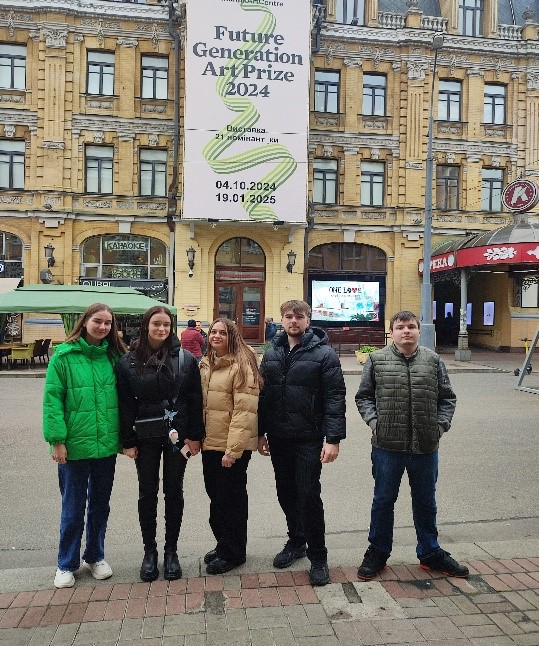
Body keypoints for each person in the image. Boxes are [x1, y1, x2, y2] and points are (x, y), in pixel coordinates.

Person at [355, 310, 468, 580]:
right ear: (391, 332)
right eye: (400, 327)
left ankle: (430, 552)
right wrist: (375, 423)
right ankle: (377, 552)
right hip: (386, 447)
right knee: (383, 501)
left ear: (419, 331)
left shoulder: (433, 360)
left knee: (426, 502)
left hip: (425, 447)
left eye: (411, 327)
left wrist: (440, 426)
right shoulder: (377, 360)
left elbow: (447, 398)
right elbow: (364, 397)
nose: (406, 331)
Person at [258, 300, 346, 586]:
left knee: (308, 495)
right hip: (279, 437)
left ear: (308, 320)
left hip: (309, 437)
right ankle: (296, 542)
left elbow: (335, 398)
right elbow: (263, 396)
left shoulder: (324, 354)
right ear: (281, 321)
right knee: (286, 492)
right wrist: (260, 432)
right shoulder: (271, 353)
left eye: (299, 316)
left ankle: (318, 557)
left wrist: (332, 439)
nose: (293, 320)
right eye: (288, 316)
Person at [115, 306, 203, 582]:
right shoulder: (128, 362)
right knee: (147, 492)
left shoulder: (185, 360)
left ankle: (171, 551)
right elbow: (125, 404)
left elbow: (194, 399)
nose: (162, 329)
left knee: (174, 491)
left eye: (166, 324)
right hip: (145, 435)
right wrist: (127, 442)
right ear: (146, 326)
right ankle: (149, 551)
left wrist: (195, 436)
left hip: (178, 436)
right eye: (156, 324)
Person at [42, 303, 126, 589]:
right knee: (73, 507)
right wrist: (57, 441)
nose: (103, 327)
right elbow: (52, 401)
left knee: (100, 505)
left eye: (107, 323)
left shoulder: (113, 358)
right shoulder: (63, 357)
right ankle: (66, 563)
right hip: (74, 447)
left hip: (105, 446)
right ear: (85, 321)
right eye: (98, 321)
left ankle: (95, 556)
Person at [199, 318, 261, 575]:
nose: (216, 336)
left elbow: (244, 412)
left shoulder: (241, 365)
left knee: (231, 501)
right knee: (216, 500)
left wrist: (232, 451)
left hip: (230, 448)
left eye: (222, 333)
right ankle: (224, 544)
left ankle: (235, 552)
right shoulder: (207, 363)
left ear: (231, 337)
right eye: (213, 332)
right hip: (210, 444)